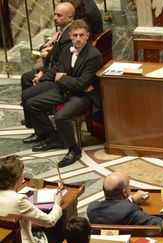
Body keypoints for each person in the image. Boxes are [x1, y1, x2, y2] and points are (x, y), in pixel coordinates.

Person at [23, 19, 103, 168]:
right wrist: (42, 76)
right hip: (67, 90)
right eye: (75, 35)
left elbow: (82, 84)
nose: (78, 39)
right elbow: (57, 69)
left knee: (61, 116)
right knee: (31, 104)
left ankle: (74, 149)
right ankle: (52, 137)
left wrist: (62, 78)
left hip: (84, 96)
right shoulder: (67, 50)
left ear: (87, 36)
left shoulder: (94, 56)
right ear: (70, 36)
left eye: (81, 35)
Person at [21, 2, 75, 144]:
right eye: (54, 15)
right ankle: (34, 124)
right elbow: (55, 56)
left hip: (58, 79)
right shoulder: (63, 31)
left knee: (27, 96)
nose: (55, 18)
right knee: (26, 78)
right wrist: (42, 71)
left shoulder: (69, 36)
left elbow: (61, 65)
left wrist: (42, 75)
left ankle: (47, 134)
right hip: (51, 70)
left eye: (59, 15)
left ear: (70, 18)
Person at [0, 155, 63, 243]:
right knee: (56, 229)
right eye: (22, 174)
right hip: (20, 239)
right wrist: (57, 203)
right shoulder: (19, 200)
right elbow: (50, 221)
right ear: (16, 179)